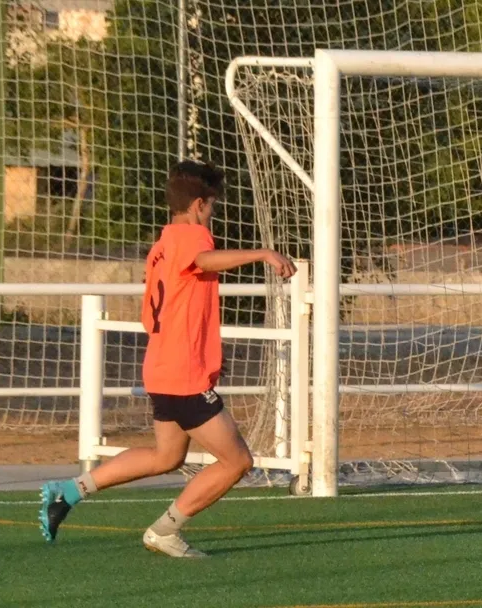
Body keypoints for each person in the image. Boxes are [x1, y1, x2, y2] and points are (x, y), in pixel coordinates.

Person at [39, 160, 297, 557]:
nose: (212, 214)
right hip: (181, 374)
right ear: (198, 205)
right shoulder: (191, 236)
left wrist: (202, 352)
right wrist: (264, 253)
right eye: (212, 206)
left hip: (163, 366)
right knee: (237, 461)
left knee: (167, 456)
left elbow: (159, 313)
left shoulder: (161, 247)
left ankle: (70, 491)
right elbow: (204, 260)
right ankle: (164, 530)